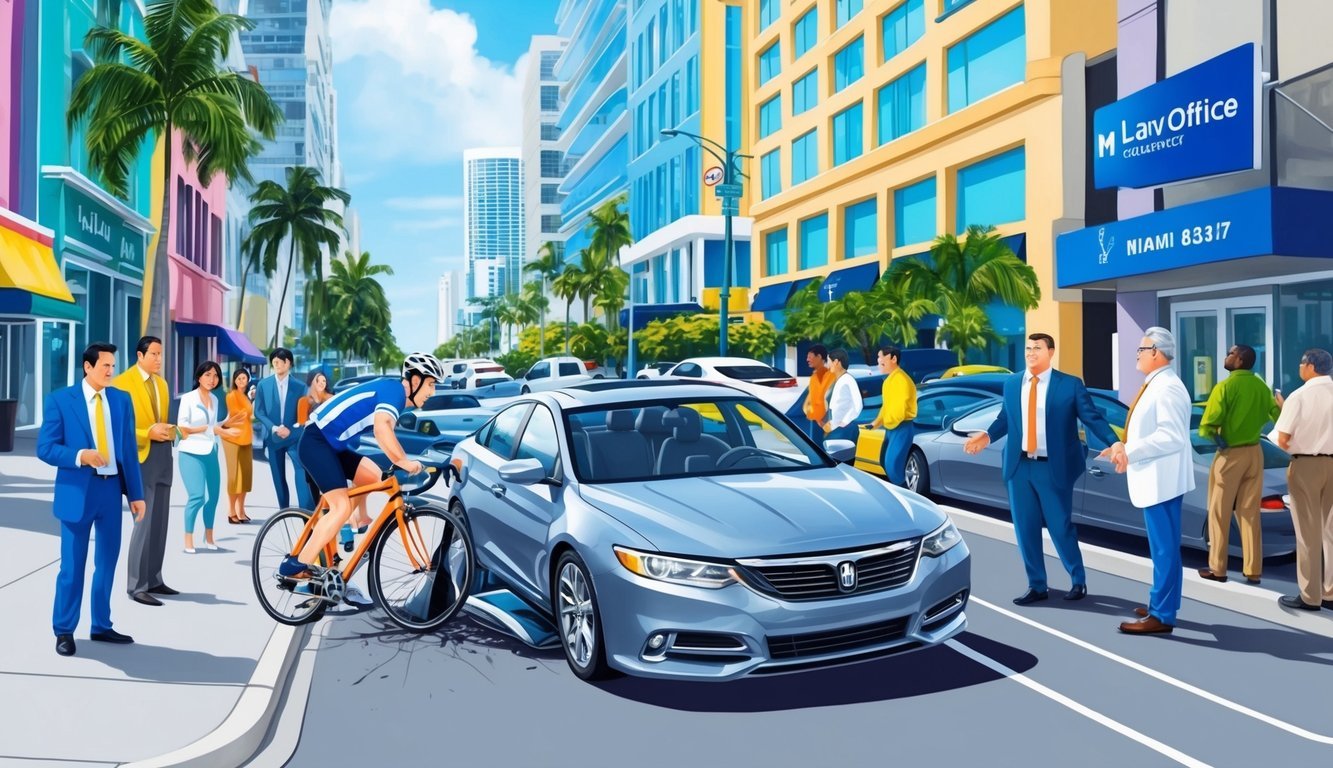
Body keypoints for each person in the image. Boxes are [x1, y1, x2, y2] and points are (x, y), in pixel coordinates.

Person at [964, 333, 1125, 605]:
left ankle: (1077, 580)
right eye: (1027, 348)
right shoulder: (1013, 383)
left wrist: (1115, 442)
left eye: (1037, 348)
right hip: (1019, 467)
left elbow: (1092, 418)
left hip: (1053, 468)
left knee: (1060, 527)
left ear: (1051, 351)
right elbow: (1006, 418)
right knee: (1025, 529)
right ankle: (1037, 585)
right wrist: (987, 436)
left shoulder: (1070, 385)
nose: (1030, 353)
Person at [277, 353, 445, 581]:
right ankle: (295, 566)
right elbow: (382, 428)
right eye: (431, 384)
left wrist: (404, 460)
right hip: (316, 442)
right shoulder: (395, 392)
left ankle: (356, 519)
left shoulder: (394, 395)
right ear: (415, 381)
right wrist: (404, 462)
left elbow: (387, 433)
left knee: (376, 478)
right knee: (341, 507)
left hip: (330, 444)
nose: (432, 392)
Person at [37, 343, 146, 656]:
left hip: (111, 493)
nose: (111, 371)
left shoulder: (121, 400)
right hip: (77, 493)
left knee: (107, 563)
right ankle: (64, 630)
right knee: (72, 566)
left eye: (113, 366)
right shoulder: (61, 400)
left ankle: (101, 625)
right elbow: (45, 448)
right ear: (88, 367)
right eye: (105, 366)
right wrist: (80, 455)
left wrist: (136, 495)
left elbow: (128, 451)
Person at [1110, 327, 1194, 635]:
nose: (1137, 354)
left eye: (1142, 350)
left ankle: (1161, 614)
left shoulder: (1167, 388)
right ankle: (1164, 603)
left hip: (1162, 480)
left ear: (1156, 353)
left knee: (1164, 549)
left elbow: (1170, 437)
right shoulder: (1158, 384)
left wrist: (1130, 451)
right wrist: (1122, 449)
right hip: (1159, 478)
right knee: (1165, 547)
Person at [1197, 344, 1279, 585]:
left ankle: (1218, 568)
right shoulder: (1261, 387)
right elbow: (1277, 417)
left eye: (1231, 353)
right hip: (1255, 452)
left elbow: (1207, 426)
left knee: (1219, 512)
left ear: (1240, 360)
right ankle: (1253, 570)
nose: (1227, 356)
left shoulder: (1225, 386)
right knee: (1250, 512)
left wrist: (1218, 441)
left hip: (1230, 453)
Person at [113, 336, 178, 607]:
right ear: (140, 356)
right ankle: (136, 585)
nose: (159, 359)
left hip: (163, 456)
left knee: (161, 521)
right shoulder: (121, 384)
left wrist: (172, 431)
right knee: (143, 521)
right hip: (140, 458)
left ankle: (154, 578)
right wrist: (146, 432)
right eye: (154, 354)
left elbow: (163, 420)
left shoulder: (162, 385)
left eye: (161, 354)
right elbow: (118, 429)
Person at [1272, 348, 1333, 612]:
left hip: (1305, 465)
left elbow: (1283, 439)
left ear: (1309, 366)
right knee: (1331, 531)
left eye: (1300, 363)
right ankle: (1330, 593)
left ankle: (1310, 595)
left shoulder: (1298, 396)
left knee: (1307, 532)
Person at [178, 361, 242, 554]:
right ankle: (188, 539)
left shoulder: (214, 399)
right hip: (190, 453)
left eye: (215, 376)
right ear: (199, 377)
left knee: (213, 498)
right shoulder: (188, 398)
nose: (211, 379)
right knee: (197, 496)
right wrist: (210, 429)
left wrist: (226, 423)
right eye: (207, 375)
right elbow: (183, 429)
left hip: (210, 452)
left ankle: (209, 537)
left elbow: (213, 426)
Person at [254, 348, 311, 510]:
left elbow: (303, 415)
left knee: (301, 471)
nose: (276, 364)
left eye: (280, 361)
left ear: (289, 363)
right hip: (274, 438)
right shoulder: (263, 385)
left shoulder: (300, 387)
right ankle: (284, 510)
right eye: (274, 361)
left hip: (294, 438)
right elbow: (259, 411)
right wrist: (273, 428)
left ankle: (305, 510)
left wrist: (291, 431)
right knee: (278, 477)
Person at [865, 345, 917, 486]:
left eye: (882, 359)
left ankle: (905, 494)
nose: (879, 361)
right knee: (884, 460)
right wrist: (876, 423)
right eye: (878, 359)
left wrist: (887, 421)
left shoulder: (902, 380)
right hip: (891, 428)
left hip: (901, 428)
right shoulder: (888, 381)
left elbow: (898, 411)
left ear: (893, 358)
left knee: (893, 465)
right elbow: (886, 406)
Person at [296, 369, 335, 518]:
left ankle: (333, 521)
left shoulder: (332, 399)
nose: (321, 383)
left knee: (332, 488)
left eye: (323, 381)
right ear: (311, 382)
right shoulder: (304, 401)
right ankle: (315, 520)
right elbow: (301, 422)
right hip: (311, 447)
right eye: (317, 381)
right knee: (313, 485)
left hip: (329, 447)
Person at [223, 368, 255, 524]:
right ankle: (231, 510)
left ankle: (241, 510)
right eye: (239, 378)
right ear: (234, 380)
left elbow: (249, 416)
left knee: (246, 478)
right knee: (235, 477)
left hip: (246, 438)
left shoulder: (245, 397)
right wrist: (249, 410)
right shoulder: (231, 396)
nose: (242, 381)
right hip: (233, 439)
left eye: (244, 378)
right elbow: (238, 415)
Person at [822, 349, 863, 446]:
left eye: (828, 361)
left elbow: (858, 404)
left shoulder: (848, 380)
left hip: (845, 429)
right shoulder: (838, 380)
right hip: (836, 428)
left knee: (842, 459)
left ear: (836, 362)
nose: (827, 365)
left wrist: (845, 421)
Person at [801, 345, 833, 441]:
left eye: (810, 357)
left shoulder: (831, 376)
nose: (807, 360)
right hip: (815, 421)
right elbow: (809, 400)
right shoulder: (814, 378)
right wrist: (809, 411)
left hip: (829, 423)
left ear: (819, 357)